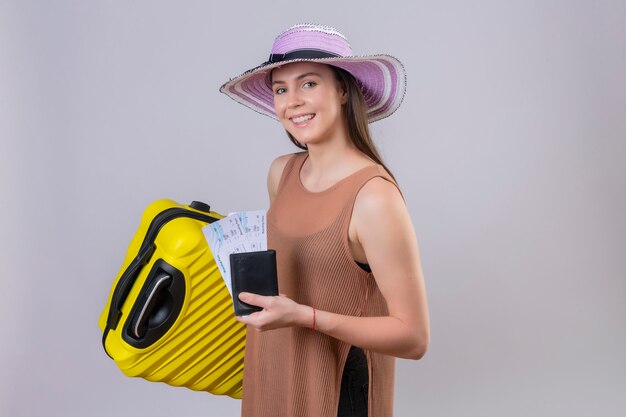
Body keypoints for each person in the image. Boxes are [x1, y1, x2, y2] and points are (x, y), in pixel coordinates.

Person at [220, 23, 430, 417]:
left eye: (309, 83)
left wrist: (305, 317)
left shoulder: (374, 198)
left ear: (343, 90)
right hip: (274, 375)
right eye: (281, 89)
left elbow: (413, 336)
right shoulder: (280, 174)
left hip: (336, 391)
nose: (292, 101)